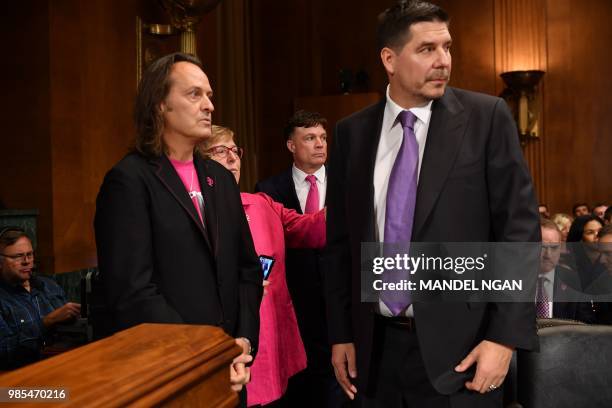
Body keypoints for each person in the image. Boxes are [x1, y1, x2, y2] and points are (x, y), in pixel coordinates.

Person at [323, 1, 540, 407]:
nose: (443, 61)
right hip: (375, 356)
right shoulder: (350, 134)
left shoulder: (487, 117)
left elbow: (519, 233)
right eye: (427, 49)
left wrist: (504, 337)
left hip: (463, 356)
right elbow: (340, 246)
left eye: (447, 47)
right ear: (389, 58)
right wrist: (341, 333)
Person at [94, 53, 262, 400]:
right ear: (159, 105)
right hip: (169, 374)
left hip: (231, 368)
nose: (209, 106)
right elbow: (133, 292)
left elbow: (247, 271)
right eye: (194, 94)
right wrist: (205, 355)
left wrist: (242, 342)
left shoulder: (221, 179)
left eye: (210, 95)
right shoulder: (129, 181)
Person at [201, 125, 326, 406]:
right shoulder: (193, 212)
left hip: (271, 345)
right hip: (225, 348)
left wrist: (351, 200)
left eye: (235, 150)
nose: (233, 158)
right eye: (221, 151)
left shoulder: (262, 203)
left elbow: (311, 229)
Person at [256, 111, 344, 407]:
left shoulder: (348, 185)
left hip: (341, 306)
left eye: (322, 138)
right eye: (309, 138)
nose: (320, 144)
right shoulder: (267, 192)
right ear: (291, 145)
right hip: (296, 310)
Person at [0, 227, 81, 369]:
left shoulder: (49, 286)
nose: (26, 261)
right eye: (18, 256)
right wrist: (46, 322)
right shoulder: (3, 298)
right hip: (22, 379)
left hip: (65, 365)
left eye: (29, 254)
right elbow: (4, 349)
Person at [537, 219, 595, 323]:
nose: (548, 255)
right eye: (542, 247)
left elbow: (587, 326)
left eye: (554, 248)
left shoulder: (577, 282)